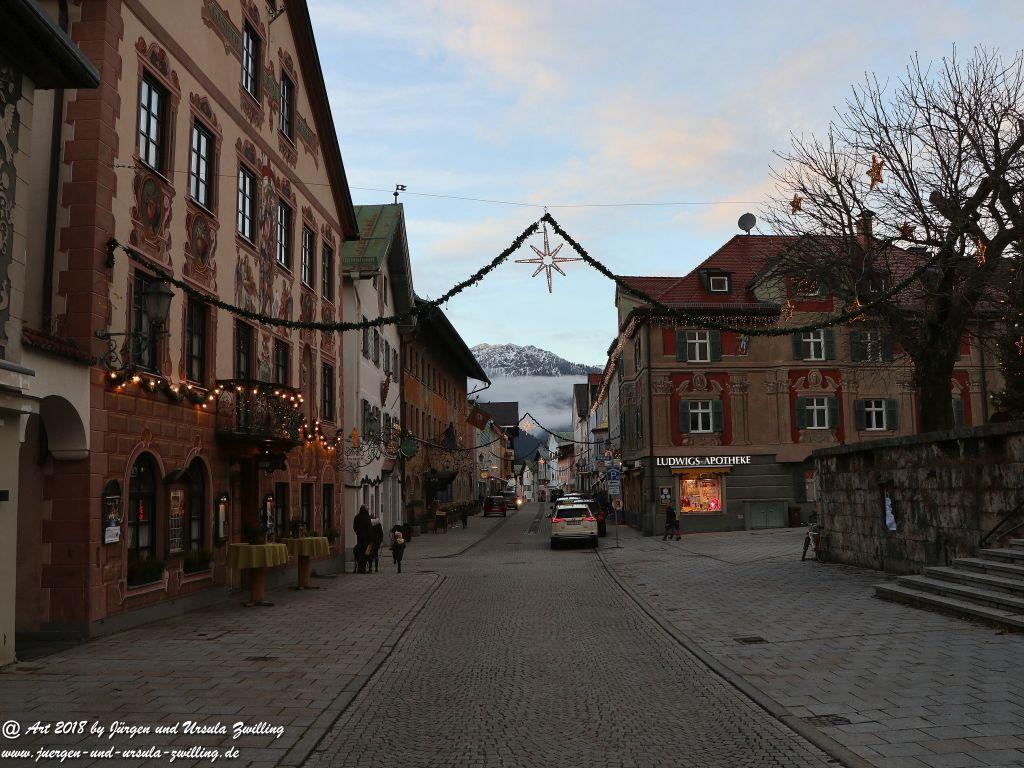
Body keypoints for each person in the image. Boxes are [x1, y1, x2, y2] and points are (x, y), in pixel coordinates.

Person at [353, 505, 372, 573]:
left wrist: (358, 533)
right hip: (366, 539)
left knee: (360, 553)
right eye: (367, 509)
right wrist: (370, 539)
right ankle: (363, 568)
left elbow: (354, 527)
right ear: (366, 510)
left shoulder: (356, 517)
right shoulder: (367, 518)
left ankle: (359, 568)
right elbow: (369, 529)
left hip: (359, 538)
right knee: (366, 553)